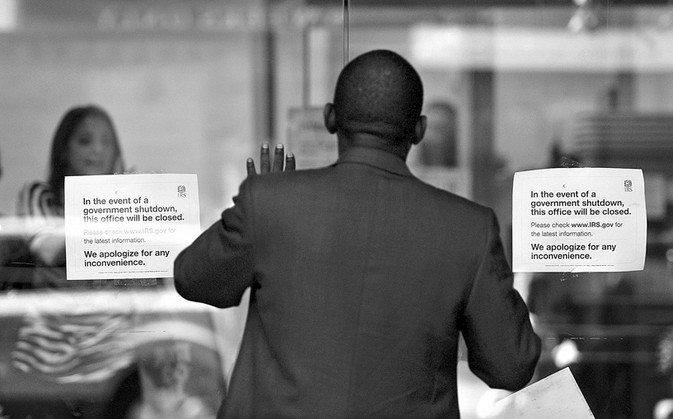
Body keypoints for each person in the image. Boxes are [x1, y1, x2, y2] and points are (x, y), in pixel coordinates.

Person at [174, 49, 541, 418]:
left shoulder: (270, 203)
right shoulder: (469, 230)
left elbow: (194, 280)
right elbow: (510, 365)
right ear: (419, 130)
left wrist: (262, 209)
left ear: (330, 118)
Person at [16, 104, 125, 287]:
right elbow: (48, 251)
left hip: (120, 313)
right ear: (64, 150)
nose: (97, 149)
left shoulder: (128, 197)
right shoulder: (40, 194)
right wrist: (108, 208)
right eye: (85, 141)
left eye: (107, 142)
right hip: (55, 313)